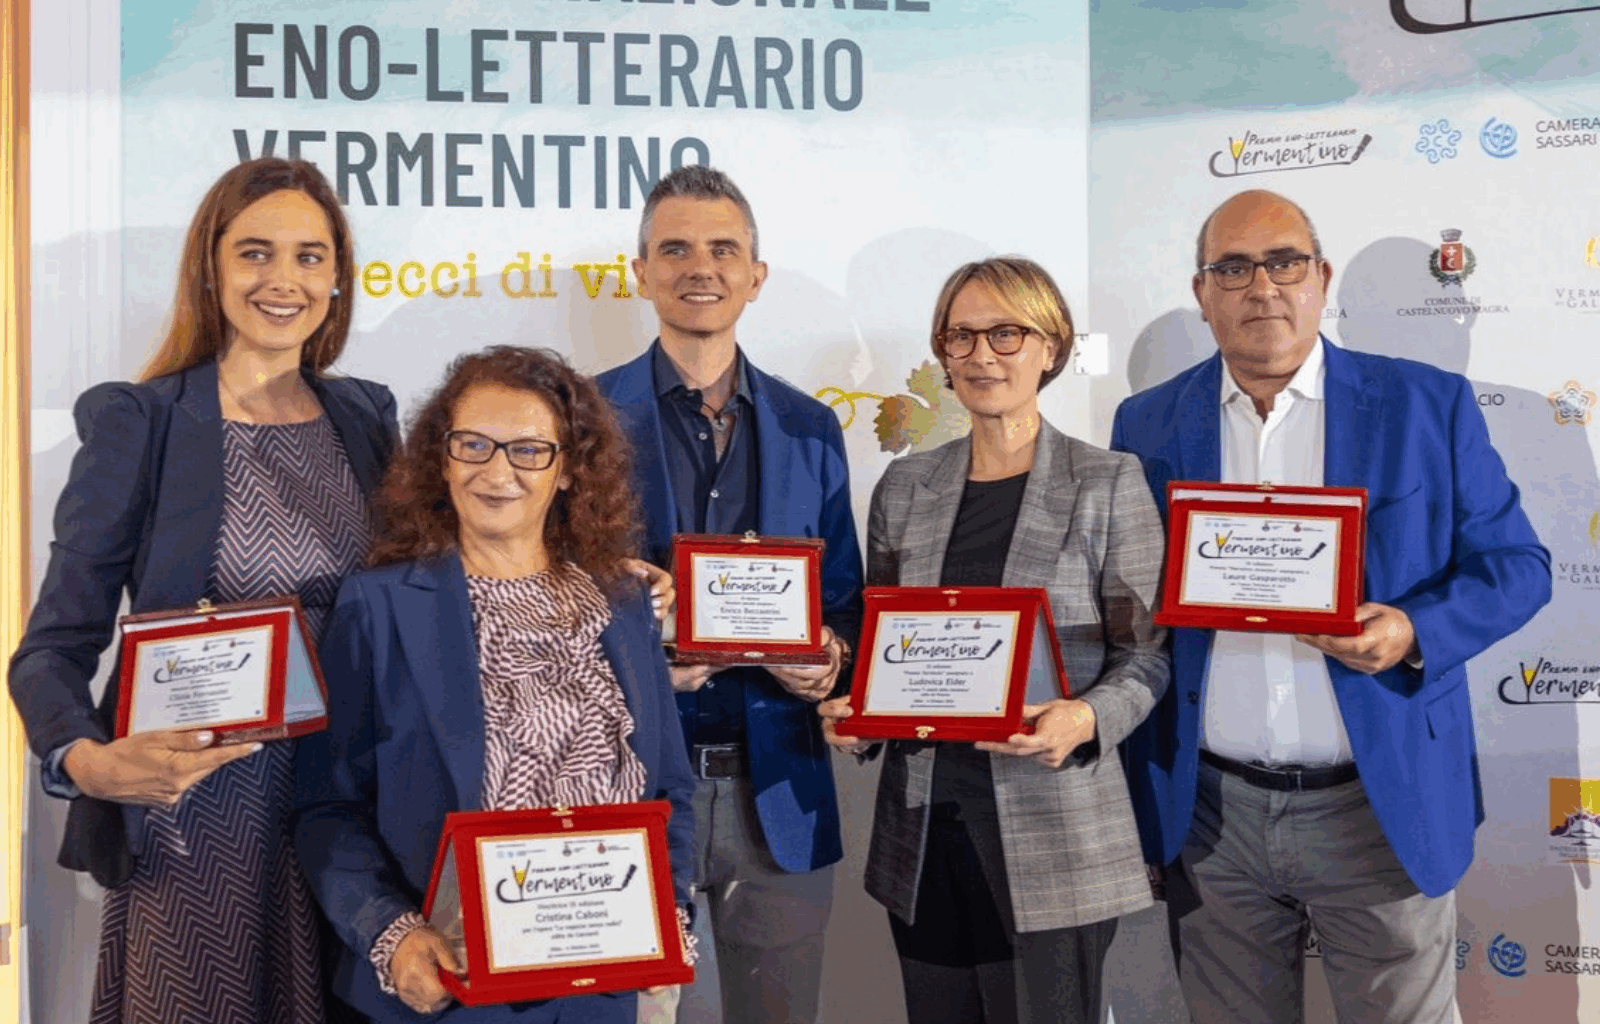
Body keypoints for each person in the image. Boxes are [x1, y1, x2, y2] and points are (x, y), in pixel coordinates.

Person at [1111, 189, 1552, 1024]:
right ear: (1202, 295)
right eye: (1232, 268)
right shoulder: (1148, 421)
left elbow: (1518, 567)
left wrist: (1412, 628)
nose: (1261, 288)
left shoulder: (1428, 405)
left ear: (1320, 277)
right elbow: (1131, 601)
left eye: (1283, 263)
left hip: (1376, 804)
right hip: (1212, 816)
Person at [7, 157, 397, 1023]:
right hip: (199, 817)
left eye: (309, 256)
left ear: (336, 277)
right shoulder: (139, 422)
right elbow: (50, 649)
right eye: (255, 253)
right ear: (211, 268)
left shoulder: (367, 418)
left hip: (351, 814)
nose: (282, 279)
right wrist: (87, 761)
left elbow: (426, 591)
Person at [293, 346, 696, 1024]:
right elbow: (325, 809)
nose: (497, 471)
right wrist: (392, 939)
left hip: (608, 993)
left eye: (529, 450)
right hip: (450, 996)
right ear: (441, 459)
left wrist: (671, 911)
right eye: (473, 444)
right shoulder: (381, 604)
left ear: (569, 469)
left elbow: (670, 790)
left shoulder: (623, 604)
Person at [819, 256, 1169, 1023]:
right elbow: (883, 641)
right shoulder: (907, 487)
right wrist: (857, 711)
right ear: (942, 354)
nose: (982, 355)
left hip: (1057, 832)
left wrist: (1087, 718)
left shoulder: (1107, 480)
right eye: (961, 335)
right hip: (923, 832)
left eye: (1006, 333)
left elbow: (1146, 654)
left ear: (1051, 346)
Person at [595, 165, 864, 1024]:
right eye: (674, 248)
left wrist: (830, 662)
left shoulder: (810, 425)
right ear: (639, 271)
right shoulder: (582, 417)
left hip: (776, 788)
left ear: (756, 275)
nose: (698, 266)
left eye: (723, 249)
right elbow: (541, 599)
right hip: (628, 785)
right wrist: (637, 645)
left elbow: (846, 601)